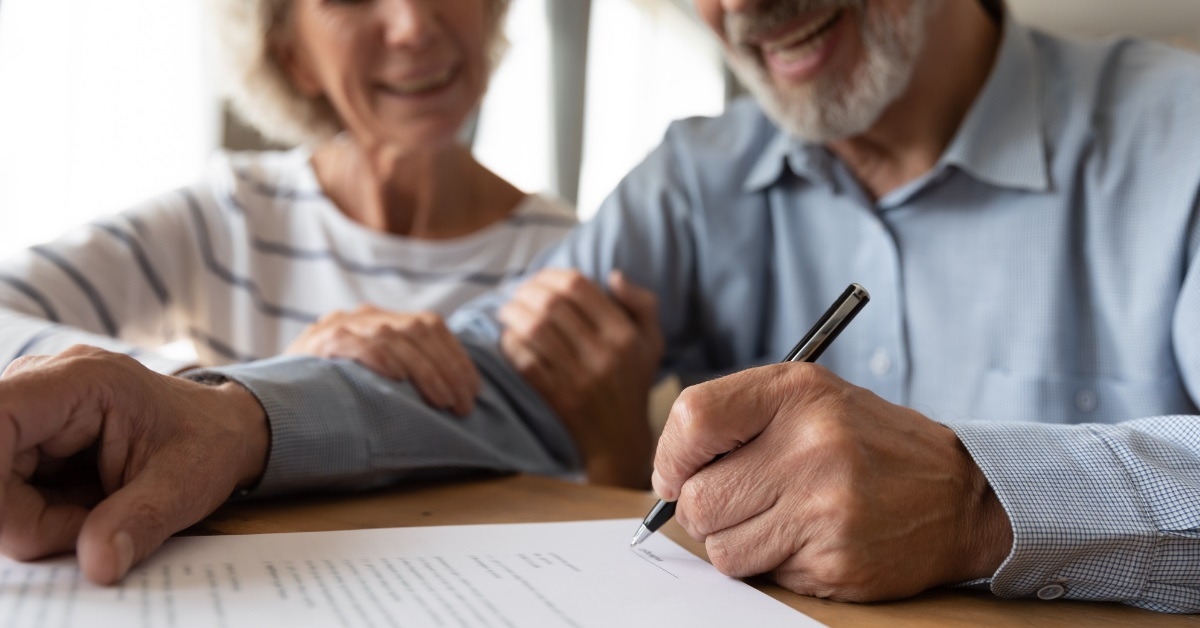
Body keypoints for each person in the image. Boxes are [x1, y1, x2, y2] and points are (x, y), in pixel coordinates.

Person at [2, 0, 1199, 614]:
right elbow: (497, 376)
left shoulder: (1177, 134)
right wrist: (227, 420)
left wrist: (984, 502)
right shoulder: (695, 175)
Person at [0, 0, 578, 417]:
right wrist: (232, 396)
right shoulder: (232, 216)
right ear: (293, 55)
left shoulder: (574, 253)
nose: (413, 24)